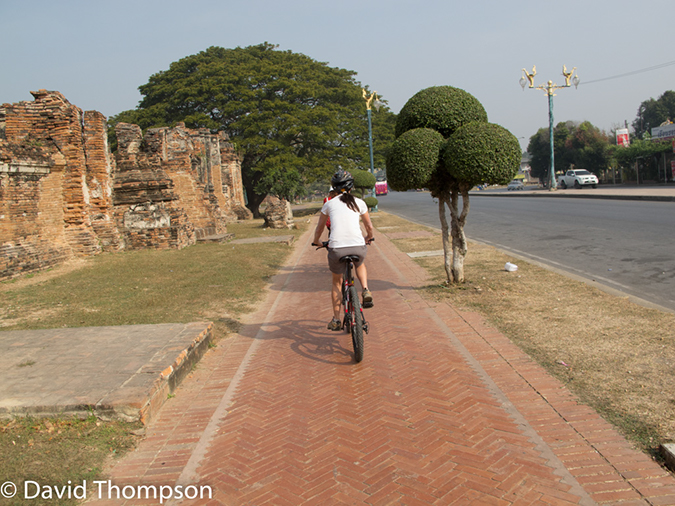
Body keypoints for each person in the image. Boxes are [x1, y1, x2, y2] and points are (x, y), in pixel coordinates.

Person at [312, 170, 375, 331]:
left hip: (337, 248)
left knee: (337, 282)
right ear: (351, 186)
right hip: (357, 246)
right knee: (360, 263)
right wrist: (369, 237)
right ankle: (366, 290)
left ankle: (336, 319)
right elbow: (369, 226)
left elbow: (320, 228)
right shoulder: (359, 202)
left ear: (334, 187)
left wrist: (316, 241)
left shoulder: (329, 203)